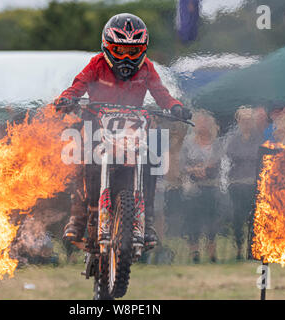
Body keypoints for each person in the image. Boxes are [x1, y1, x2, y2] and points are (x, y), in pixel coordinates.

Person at [53, 13, 191, 247]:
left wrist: (176, 107)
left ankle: (145, 222)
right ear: (107, 47)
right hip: (96, 123)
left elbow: (161, 94)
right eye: (120, 50)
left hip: (131, 127)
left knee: (150, 163)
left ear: (143, 49)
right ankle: (78, 216)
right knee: (83, 159)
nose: (126, 57)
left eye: (133, 51)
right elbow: (78, 86)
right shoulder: (96, 63)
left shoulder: (147, 68)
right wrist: (67, 99)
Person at [178, 110, 223, 263]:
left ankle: (212, 252)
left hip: (211, 187)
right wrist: (194, 170)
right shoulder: (188, 142)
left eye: (204, 122)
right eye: (198, 122)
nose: (201, 125)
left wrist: (206, 169)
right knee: (193, 220)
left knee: (212, 221)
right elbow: (182, 164)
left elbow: (218, 161)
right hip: (193, 188)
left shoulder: (217, 142)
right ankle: (194, 252)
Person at [223, 107, 265, 260]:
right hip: (237, 184)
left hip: (254, 184)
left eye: (249, 120)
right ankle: (239, 248)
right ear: (238, 121)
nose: (246, 123)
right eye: (243, 120)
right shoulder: (233, 139)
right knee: (238, 217)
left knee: (255, 217)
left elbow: (259, 156)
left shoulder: (259, 138)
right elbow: (230, 155)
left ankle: (254, 249)